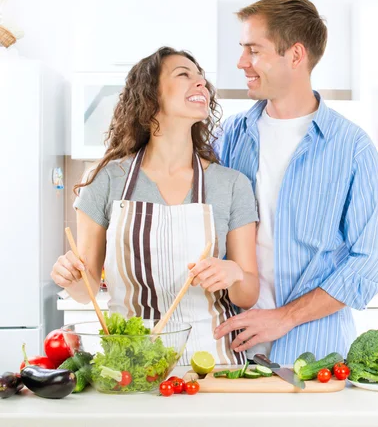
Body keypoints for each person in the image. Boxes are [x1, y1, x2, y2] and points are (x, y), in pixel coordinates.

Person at [51, 47, 259, 365]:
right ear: (151, 96)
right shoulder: (104, 179)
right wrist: (72, 277)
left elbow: (248, 292)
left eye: (201, 77)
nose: (201, 82)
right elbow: (87, 289)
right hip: (131, 363)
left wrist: (233, 273)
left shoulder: (232, 184)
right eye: (183, 74)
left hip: (212, 363)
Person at [213, 0, 378, 364]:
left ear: (295, 56)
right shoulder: (230, 136)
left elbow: (369, 263)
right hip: (231, 354)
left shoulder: (352, 148)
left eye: (254, 50)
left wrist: (283, 318)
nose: (241, 62)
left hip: (315, 358)